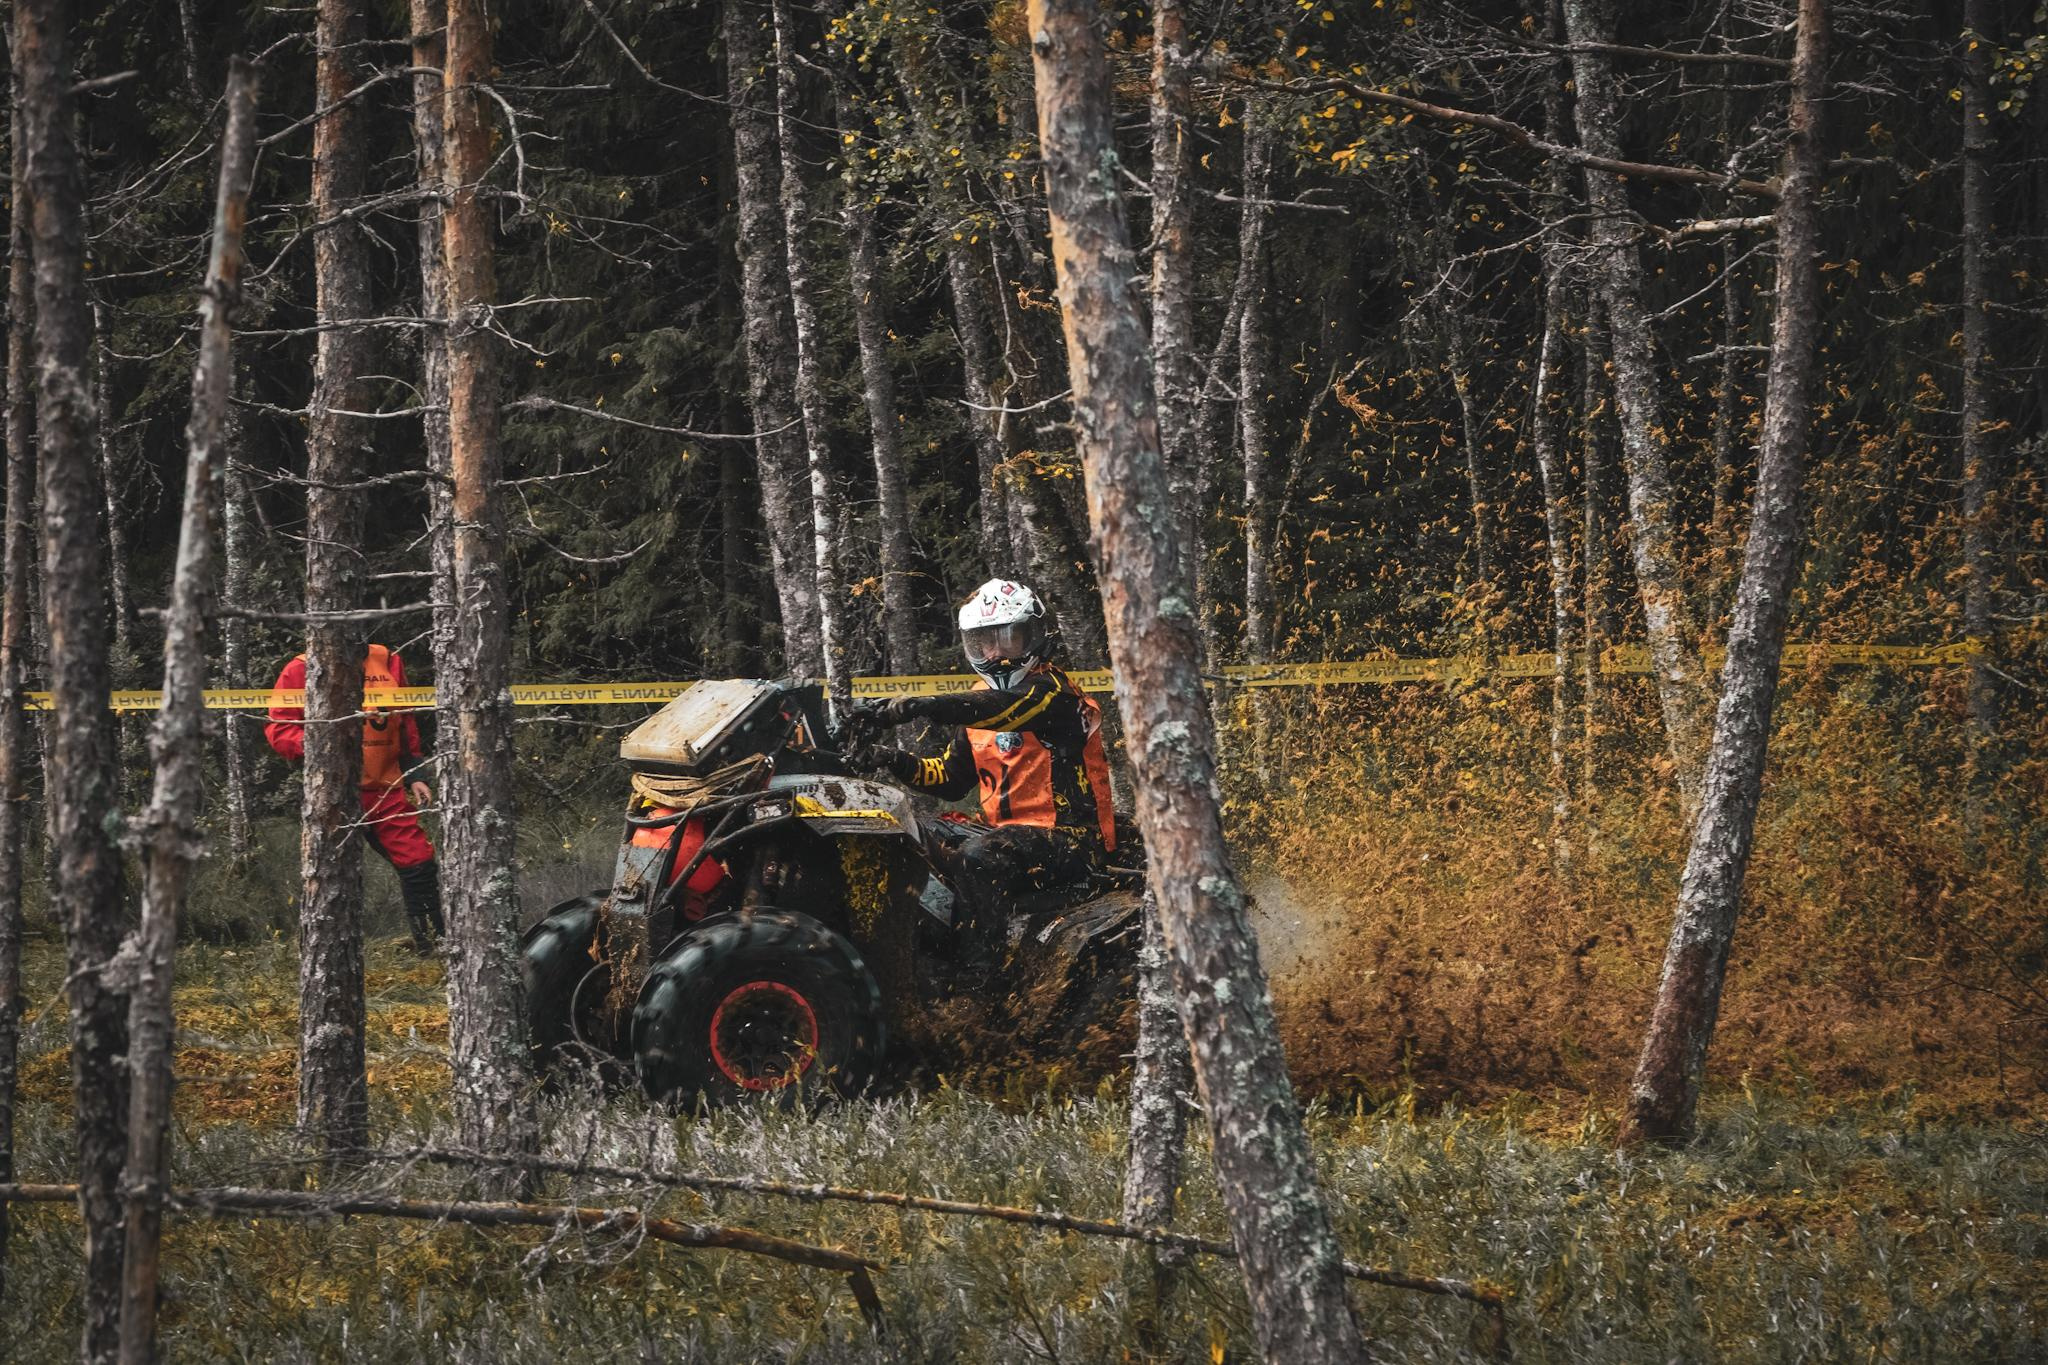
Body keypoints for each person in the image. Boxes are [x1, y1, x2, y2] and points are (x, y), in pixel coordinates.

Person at [842, 579, 1117, 954]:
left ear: (1033, 636)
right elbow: (950, 779)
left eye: (1008, 638)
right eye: (985, 641)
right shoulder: (978, 705)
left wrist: (920, 705)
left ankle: (981, 978)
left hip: (1071, 839)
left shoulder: (1054, 692)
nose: (996, 652)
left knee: (980, 857)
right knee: (909, 834)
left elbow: (1005, 710)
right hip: (1004, 833)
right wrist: (890, 759)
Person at [265, 642, 445, 952]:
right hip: (332, 793)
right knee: (329, 877)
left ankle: (433, 945)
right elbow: (279, 729)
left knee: (419, 862)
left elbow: (406, 719)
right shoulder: (300, 667)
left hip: (385, 788)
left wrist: (415, 773)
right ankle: (327, 952)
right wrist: (323, 746)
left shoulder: (388, 660)